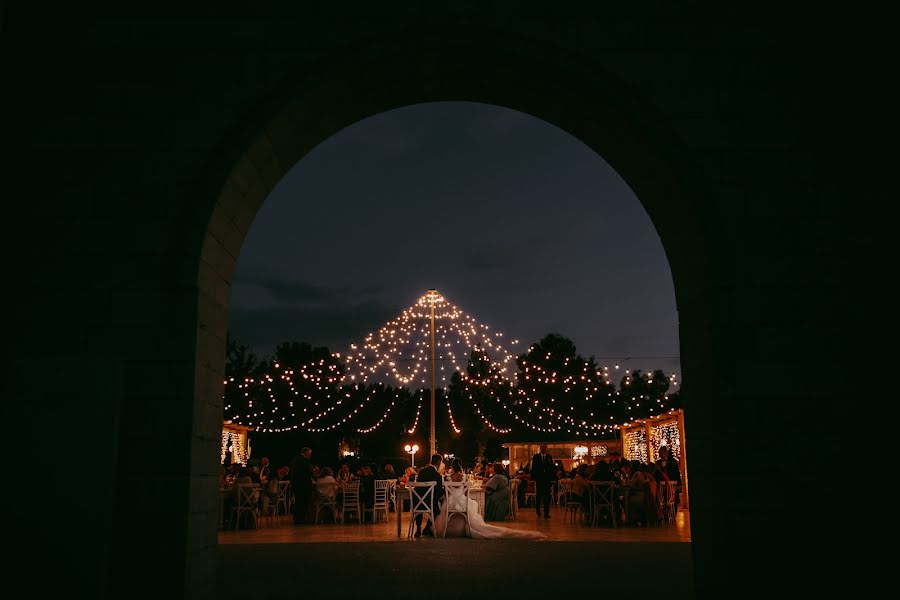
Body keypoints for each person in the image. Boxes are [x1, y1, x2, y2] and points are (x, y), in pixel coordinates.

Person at [433, 460, 545, 540]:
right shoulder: (464, 477)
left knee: (446, 505)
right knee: (473, 503)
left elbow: (447, 493)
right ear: (460, 466)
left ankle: (446, 530)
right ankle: (473, 524)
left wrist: (451, 499)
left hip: (450, 503)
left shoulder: (447, 477)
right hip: (463, 503)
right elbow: (466, 494)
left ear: (452, 467)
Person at [412, 453, 445, 537]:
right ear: (439, 462)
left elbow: (418, 486)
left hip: (417, 502)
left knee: (423, 504)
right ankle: (428, 528)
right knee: (437, 508)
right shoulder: (437, 476)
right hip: (430, 504)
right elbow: (439, 492)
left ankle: (418, 528)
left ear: (431, 461)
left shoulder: (421, 471)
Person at [531, 443, 556, 518]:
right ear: (540, 448)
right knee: (539, 495)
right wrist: (534, 478)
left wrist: (552, 478)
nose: (544, 449)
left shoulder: (549, 457)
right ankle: (538, 510)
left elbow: (551, 468)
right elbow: (534, 467)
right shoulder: (536, 457)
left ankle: (546, 512)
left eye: (545, 447)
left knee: (547, 496)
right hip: (539, 479)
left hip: (547, 479)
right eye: (543, 447)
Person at [290, 447, 313, 524]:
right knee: (302, 502)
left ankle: (297, 518)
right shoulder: (304, 460)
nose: (310, 455)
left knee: (298, 502)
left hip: (297, 485)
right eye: (309, 453)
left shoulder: (296, 459)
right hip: (303, 486)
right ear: (306, 453)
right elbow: (308, 472)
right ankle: (301, 519)